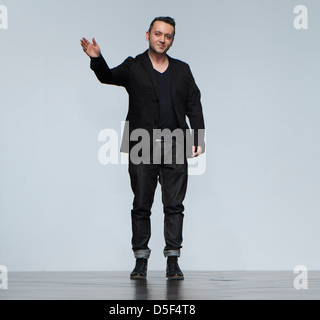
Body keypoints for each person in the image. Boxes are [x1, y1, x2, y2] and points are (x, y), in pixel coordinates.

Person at [80, 16, 205, 280]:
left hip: (176, 142)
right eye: (158, 34)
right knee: (141, 205)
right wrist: (96, 58)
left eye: (168, 36)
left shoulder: (182, 70)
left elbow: (194, 102)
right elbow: (107, 76)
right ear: (147, 35)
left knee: (174, 205)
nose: (162, 39)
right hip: (142, 142)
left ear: (172, 39)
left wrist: (198, 137)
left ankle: (173, 260)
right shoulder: (133, 66)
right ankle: (141, 261)